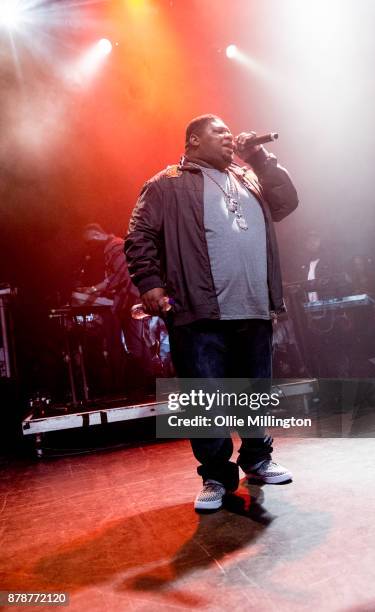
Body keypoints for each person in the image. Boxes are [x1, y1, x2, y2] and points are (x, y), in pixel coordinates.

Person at [125, 114, 299, 511]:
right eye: (218, 131)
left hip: (253, 307)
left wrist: (260, 159)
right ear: (193, 141)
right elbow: (139, 236)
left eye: (228, 132)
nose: (227, 136)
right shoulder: (166, 184)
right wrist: (150, 283)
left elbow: (286, 202)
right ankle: (217, 476)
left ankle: (257, 459)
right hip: (197, 309)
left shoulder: (248, 176)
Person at [78, 224, 163, 396]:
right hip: (129, 301)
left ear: (96, 234)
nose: (89, 246)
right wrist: (95, 289)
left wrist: (96, 290)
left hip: (130, 301)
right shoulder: (114, 246)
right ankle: (148, 383)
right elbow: (114, 277)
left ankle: (147, 383)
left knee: (136, 344)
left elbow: (120, 276)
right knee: (138, 343)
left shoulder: (114, 246)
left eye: (89, 241)